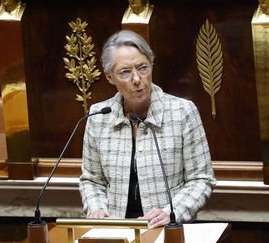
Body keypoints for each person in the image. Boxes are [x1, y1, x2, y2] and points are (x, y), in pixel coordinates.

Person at [79, 30, 216, 229]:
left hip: (166, 228)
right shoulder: (99, 116)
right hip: (115, 229)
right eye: (125, 72)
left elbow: (201, 179)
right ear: (109, 77)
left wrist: (172, 212)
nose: (137, 79)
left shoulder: (182, 112)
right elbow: (91, 180)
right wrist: (97, 209)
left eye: (142, 68)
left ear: (151, 66)